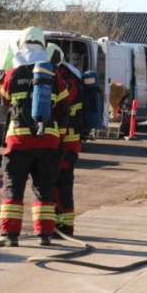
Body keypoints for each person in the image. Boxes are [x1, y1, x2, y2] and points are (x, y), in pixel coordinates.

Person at [0, 27, 70, 247]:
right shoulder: (53, 73)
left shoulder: (13, 73)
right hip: (48, 141)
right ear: (43, 46)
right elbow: (64, 108)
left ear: (21, 44)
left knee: (13, 186)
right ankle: (44, 235)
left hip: (18, 141)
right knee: (44, 186)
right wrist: (59, 139)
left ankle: (9, 235)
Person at [47, 43, 82, 237]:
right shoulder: (63, 75)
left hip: (68, 141)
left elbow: (62, 104)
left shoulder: (68, 79)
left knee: (63, 183)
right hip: (60, 139)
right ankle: (56, 224)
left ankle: (66, 227)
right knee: (54, 182)